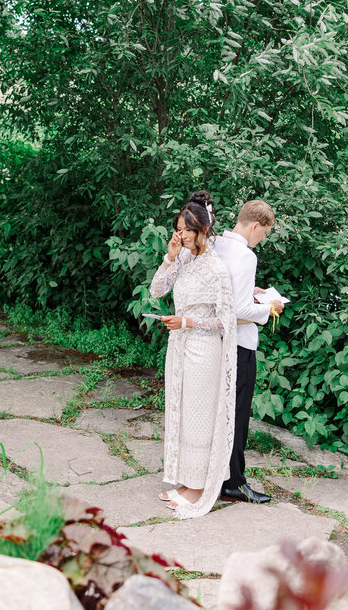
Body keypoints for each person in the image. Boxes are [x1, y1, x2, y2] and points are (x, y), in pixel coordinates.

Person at [148, 191, 238, 519]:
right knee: (183, 414)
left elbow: (224, 319)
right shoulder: (185, 260)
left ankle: (200, 488)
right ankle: (187, 481)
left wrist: (186, 320)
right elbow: (157, 290)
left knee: (199, 416)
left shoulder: (216, 267)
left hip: (204, 348)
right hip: (180, 346)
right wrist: (170, 257)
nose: (180, 235)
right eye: (178, 229)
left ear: (203, 230)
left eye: (185, 231)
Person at [212, 199, 283, 504]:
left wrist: (252, 292)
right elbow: (238, 309)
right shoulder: (245, 255)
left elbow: (226, 293)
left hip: (214, 342)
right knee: (237, 415)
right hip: (239, 345)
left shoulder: (216, 244)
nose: (262, 239)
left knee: (219, 413)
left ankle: (215, 476)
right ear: (256, 225)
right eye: (264, 233)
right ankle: (234, 482)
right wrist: (269, 306)